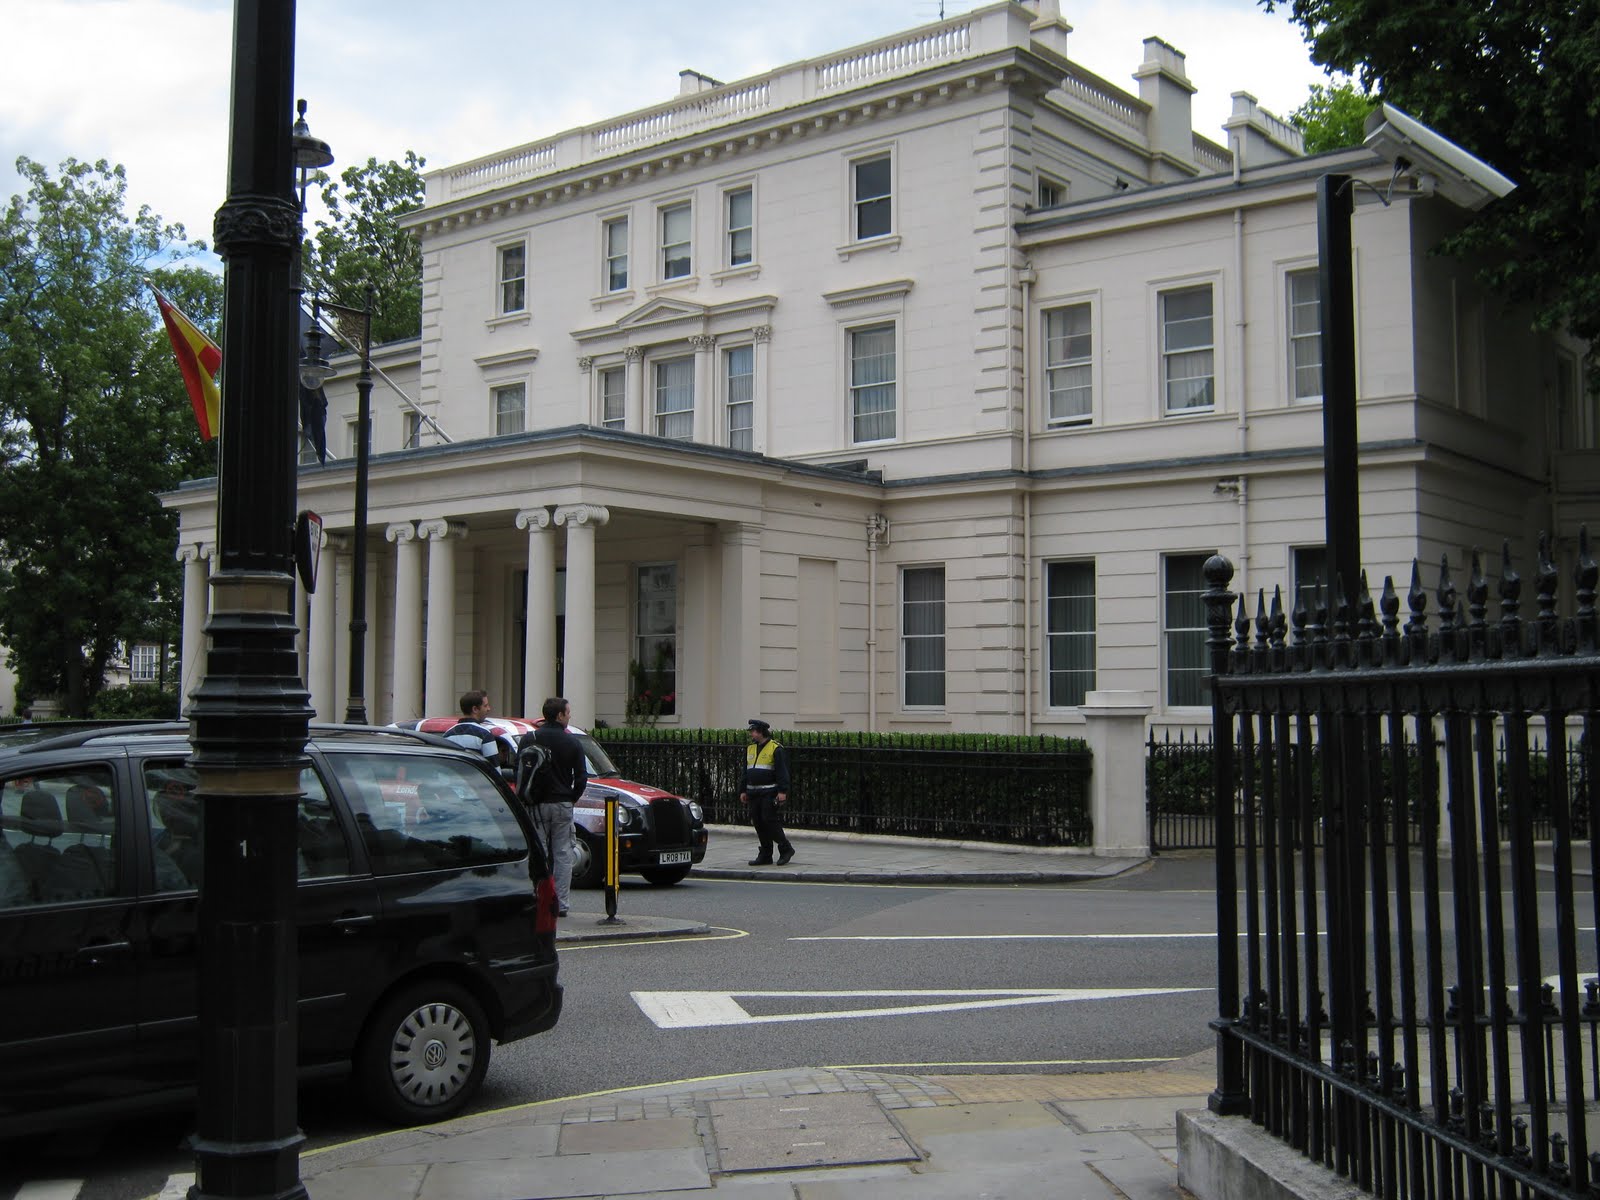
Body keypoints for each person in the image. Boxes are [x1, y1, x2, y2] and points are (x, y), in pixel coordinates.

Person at [518, 697, 587, 917]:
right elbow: (581, 778)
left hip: (535, 805)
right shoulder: (572, 742)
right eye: (568, 713)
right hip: (561, 803)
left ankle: (540, 900)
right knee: (563, 853)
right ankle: (561, 904)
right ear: (559, 715)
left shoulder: (529, 738)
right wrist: (571, 798)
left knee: (539, 854)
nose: (569, 716)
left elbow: (520, 771)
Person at [740, 718, 793, 866]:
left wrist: (782, 791)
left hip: (769, 792)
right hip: (753, 793)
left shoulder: (776, 748)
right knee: (758, 822)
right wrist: (742, 790)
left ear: (761, 732)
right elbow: (745, 772)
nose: (751, 734)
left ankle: (785, 848)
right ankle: (765, 854)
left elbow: (782, 772)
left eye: (753, 731)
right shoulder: (750, 749)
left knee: (769, 820)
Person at [444, 689, 499, 759]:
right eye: (485, 706)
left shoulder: (448, 735)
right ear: (475, 709)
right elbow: (493, 764)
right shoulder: (485, 735)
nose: (489, 709)